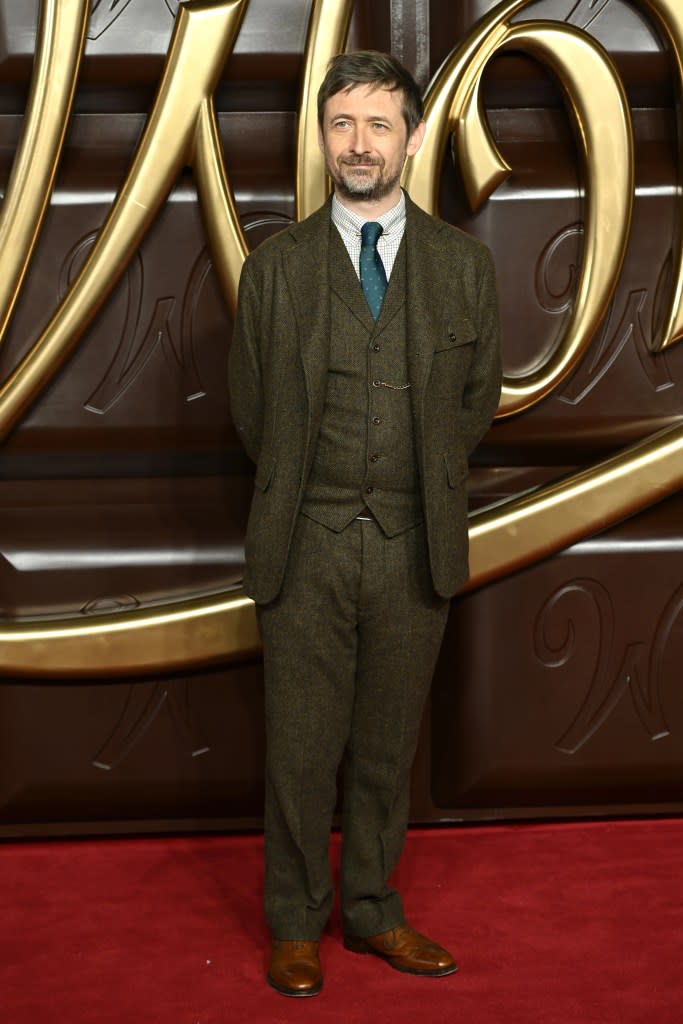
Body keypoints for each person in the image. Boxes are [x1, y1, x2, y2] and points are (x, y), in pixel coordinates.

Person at [228, 49, 502, 997]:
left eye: (378, 124)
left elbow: (473, 407)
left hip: (412, 542)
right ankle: (295, 923)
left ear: (413, 138)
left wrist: (405, 485)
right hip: (302, 547)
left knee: (387, 747)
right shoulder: (275, 271)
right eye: (341, 123)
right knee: (299, 749)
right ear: (320, 137)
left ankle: (373, 911)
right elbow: (253, 413)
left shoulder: (466, 270)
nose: (359, 143)